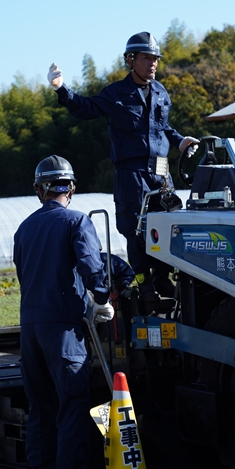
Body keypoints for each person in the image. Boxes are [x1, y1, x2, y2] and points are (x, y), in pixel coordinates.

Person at [47, 31, 199, 311]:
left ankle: (163, 278)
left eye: (155, 58)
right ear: (131, 60)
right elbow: (85, 107)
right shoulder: (116, 94)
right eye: (146, 58)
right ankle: (144, 283)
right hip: (132, 172)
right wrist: (61, 90)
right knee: (136, 230)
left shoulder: (161, 92)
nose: (152, 63)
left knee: (167, 224)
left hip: (161, 171)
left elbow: (164, 128)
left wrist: (181, 141)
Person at [13, 155, 113, 469]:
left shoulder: (24, 228)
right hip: (63, 331)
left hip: (29, 329)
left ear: (39, 190)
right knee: (71, 407)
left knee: (40, 409)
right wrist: (101, 298)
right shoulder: (77, 221)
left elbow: (23, 274)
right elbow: (90, 265)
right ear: (70, 188)